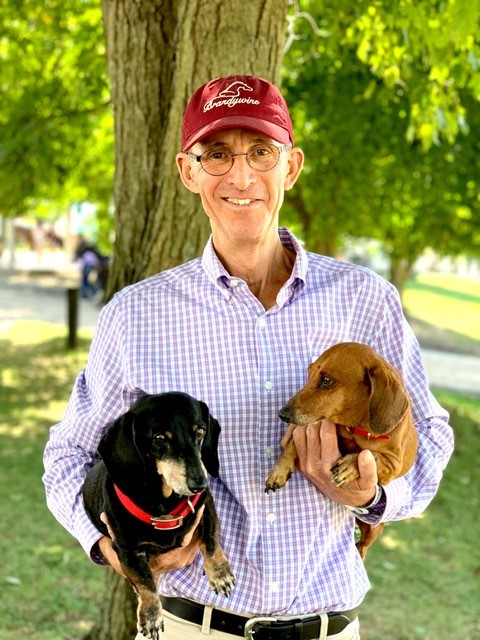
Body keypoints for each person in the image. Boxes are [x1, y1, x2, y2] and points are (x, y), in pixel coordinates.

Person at [43, 75, 454, 640]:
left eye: (261, 152)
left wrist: (376, 495)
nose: (241, 176)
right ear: (188, 171)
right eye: (217, 154)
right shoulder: (134, 316)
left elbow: (429, 433)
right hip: (191, 628)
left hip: (329, 628)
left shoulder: (366, 302)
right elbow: (67, 455)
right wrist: (109, 546)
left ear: (291, 166)